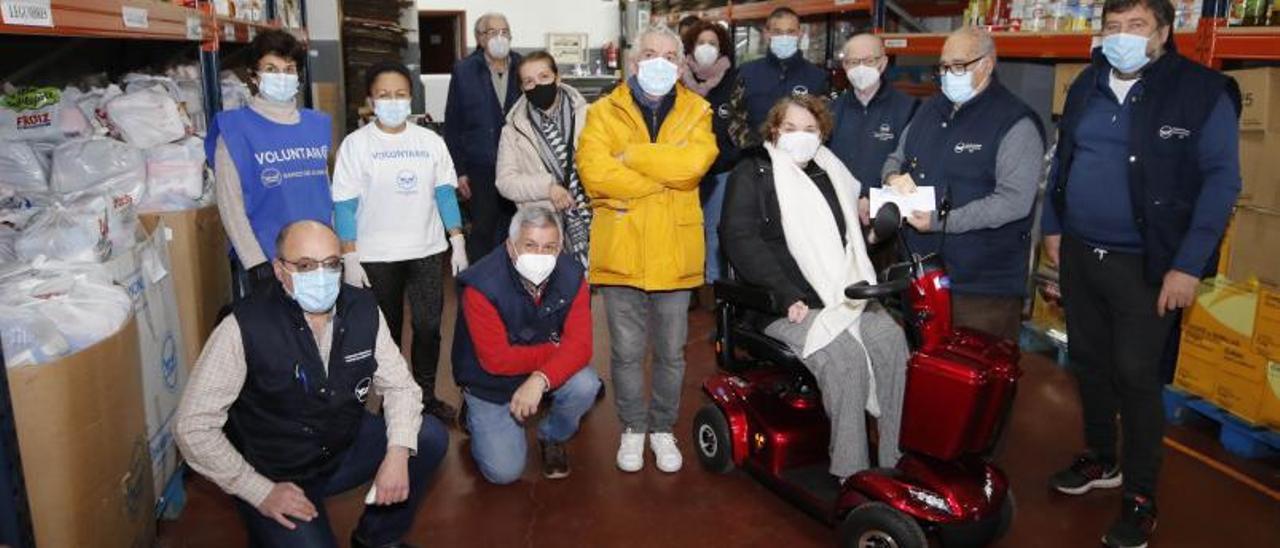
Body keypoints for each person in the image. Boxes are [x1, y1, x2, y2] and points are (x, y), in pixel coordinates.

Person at [1041, 1, 1241, 546]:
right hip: (1082, 254)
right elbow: (1063, 162)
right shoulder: (1087, 83)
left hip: (1148, 266)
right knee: (1088, 362)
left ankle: (1140, 495)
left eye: (1136, 27)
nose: (1122, 37)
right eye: (1112, 27)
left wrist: (1187, 266)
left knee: (1136, 375)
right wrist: (1054, 228)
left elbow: (1221, 183)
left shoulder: (1200, 92)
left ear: (1164, 32)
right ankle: (1103, 459)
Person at [173, 220, 448, 548]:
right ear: (279, 270)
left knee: (427, 436)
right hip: (276, 470)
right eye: (304, 266)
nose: (320, 275)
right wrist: (258, 490)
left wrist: (398, 454)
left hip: (343, 448)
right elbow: (192, 426)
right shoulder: (244, 326)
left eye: (331, 264)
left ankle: (377, 538)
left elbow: (401, 387)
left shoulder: (363, 309)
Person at [721, 95, 908, 481]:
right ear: (774, 129)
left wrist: (871, 231)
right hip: (780, 301)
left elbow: (849, 239)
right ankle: (851, 472)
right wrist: (785, 292)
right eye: (790, 128)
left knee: (891, 339)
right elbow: (740, 240)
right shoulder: (752, 172)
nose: (800, 137)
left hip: (841, 293)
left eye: (810, 130)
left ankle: (896, 458)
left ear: (822, 133)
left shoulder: (832, 173)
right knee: (845, 359)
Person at [577, 25, 717, 474]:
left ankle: (662, 427)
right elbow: (596, 175)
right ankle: (633, 428)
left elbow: (694, 166)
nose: (660, 62)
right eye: (650, 53)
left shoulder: (698, 110)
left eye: (670, 55)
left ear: (681, 64)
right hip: (621, 251)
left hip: (675, 252)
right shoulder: (602, 112)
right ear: (634, 62)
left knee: (673, 353)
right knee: (626, 352)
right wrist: (664, 170)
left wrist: (632, 156)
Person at [880, 27, 1045, 341]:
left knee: (972, 375)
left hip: (980, 285)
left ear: (987, 64)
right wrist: (893, 178)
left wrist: (942, 222)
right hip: (921, 274)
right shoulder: (929, 110)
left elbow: (1013, 201)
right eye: (942, 67)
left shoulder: (1014, 121)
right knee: (923, 369)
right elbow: (896, 157)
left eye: (958, 66)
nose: (947, 75)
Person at [331, 60, 469, 423]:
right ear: (370, 101)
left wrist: (457, 240)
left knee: (427, 328)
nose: (393, 101)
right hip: (375, 257)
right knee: (384, 333)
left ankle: (424, 395)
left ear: (411, 98)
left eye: (401, 94)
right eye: (384, 95)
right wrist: (349, 255)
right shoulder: (355, 145)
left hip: (425, 251)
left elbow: (444, 194)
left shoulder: (430, 142)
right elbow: (344, 205)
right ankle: (390, 401)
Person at [452, 207, 599, 483]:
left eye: (549, 247)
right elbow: (497, 359)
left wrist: (541, 379)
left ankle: (552, 435)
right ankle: (473, 413)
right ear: (511, 246)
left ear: (559, 249)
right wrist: (557, 351)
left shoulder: (573, 276)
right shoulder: (481, 286)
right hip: (489, 383)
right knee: (504, 473)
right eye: (530, 245)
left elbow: (581, 345)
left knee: (586, 384)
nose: (540, 255)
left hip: (540, 372)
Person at [209, 29, 334, 297]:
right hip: (268, 259)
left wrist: (336, 248)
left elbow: (326, 190)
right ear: (253, 76)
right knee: (275, 335)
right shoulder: (235, 130)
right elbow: (230, 205)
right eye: (271, 68)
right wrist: (256, 263)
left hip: (320, 254)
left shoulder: (317, 124)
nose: (282, 76)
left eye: (289, 69)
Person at [496, 51, 593, 268]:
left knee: (586, 295)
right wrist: (547, 188)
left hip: (595, 222)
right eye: (529, 81)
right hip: (542, 231)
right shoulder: (513, 130)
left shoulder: (590, 115)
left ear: (558, 78)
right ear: (522, 88)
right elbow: (505, 182)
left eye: (544, 77)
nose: (537, 85)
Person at [444, 12, 522, 262]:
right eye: (492, 32)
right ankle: (481, 291)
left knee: (517, 229)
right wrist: (460, 170)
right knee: (482, 233)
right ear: (479, 38)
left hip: (519, 166)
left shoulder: (524, 66)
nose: (500, 37)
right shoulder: (464, 70)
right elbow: (454, 124)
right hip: (480, 166)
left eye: (504, 31)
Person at [827, 33, 919, 226]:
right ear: (845, 66)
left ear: (883, 63)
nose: (861, 68)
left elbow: (911, 166)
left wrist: (872, 197)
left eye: (869, 60)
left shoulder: (909, 109)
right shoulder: (830, 111)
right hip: (839, 213)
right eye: (853, 61)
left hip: (887, 218)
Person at [681, 19, 739, 286]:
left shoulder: (734, 80)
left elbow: (740, 127)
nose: (706, 48)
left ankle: (716, 293)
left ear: (722, 47)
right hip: (684, 173)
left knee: (716, 233)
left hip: (721, 171)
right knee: (684, 231)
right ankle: (687, 288)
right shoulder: (676, 80)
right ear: (690, 47)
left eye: (713, 43)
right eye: (701, 43)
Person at [727, 7, 829, 150]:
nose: (784, 37)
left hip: (802, 162)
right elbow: (734, 120)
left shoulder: (817, 77)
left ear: (800, 34)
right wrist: (760, 149)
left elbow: (824, 123)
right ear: (767, 34)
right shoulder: (746, 73)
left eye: (790, 32)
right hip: (755, 160)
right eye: (778, 32)